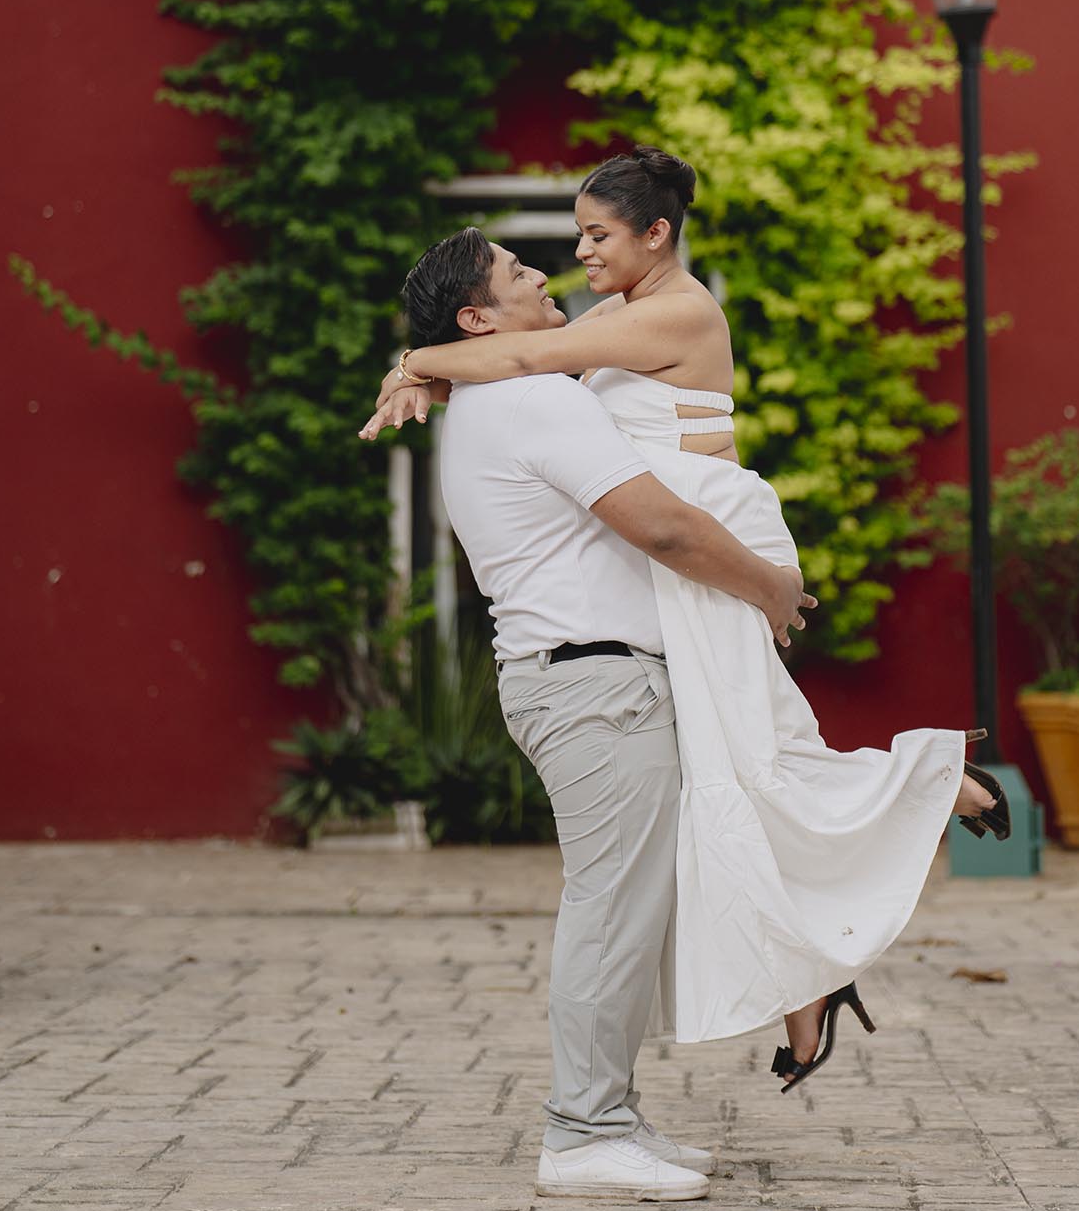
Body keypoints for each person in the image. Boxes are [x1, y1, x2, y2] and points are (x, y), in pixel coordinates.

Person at [363, 148, 1004, 1087]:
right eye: (576, 235)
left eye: (597, 234)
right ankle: (810, 980)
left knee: (747, 756)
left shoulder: (679, 310)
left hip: (712, 537)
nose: (579, 253)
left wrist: (413, 361)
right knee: (733, 757)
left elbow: (526, 356)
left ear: (657, 233)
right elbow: (513, 366)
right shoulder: (619, 312)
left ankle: (934, 783)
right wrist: (425, 373)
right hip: (686, 547)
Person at [374, 224, 818, 1203]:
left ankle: (607, 1115)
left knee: (623, 907)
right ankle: (582, 1132)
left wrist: (411, 369)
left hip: (583, 683)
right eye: (516, 270)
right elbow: (661, 525)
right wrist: (770, 589)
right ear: (478, 318)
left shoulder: (500, 397)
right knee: (610, 909)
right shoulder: (532, 397)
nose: (544, 272)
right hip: (593, 686)